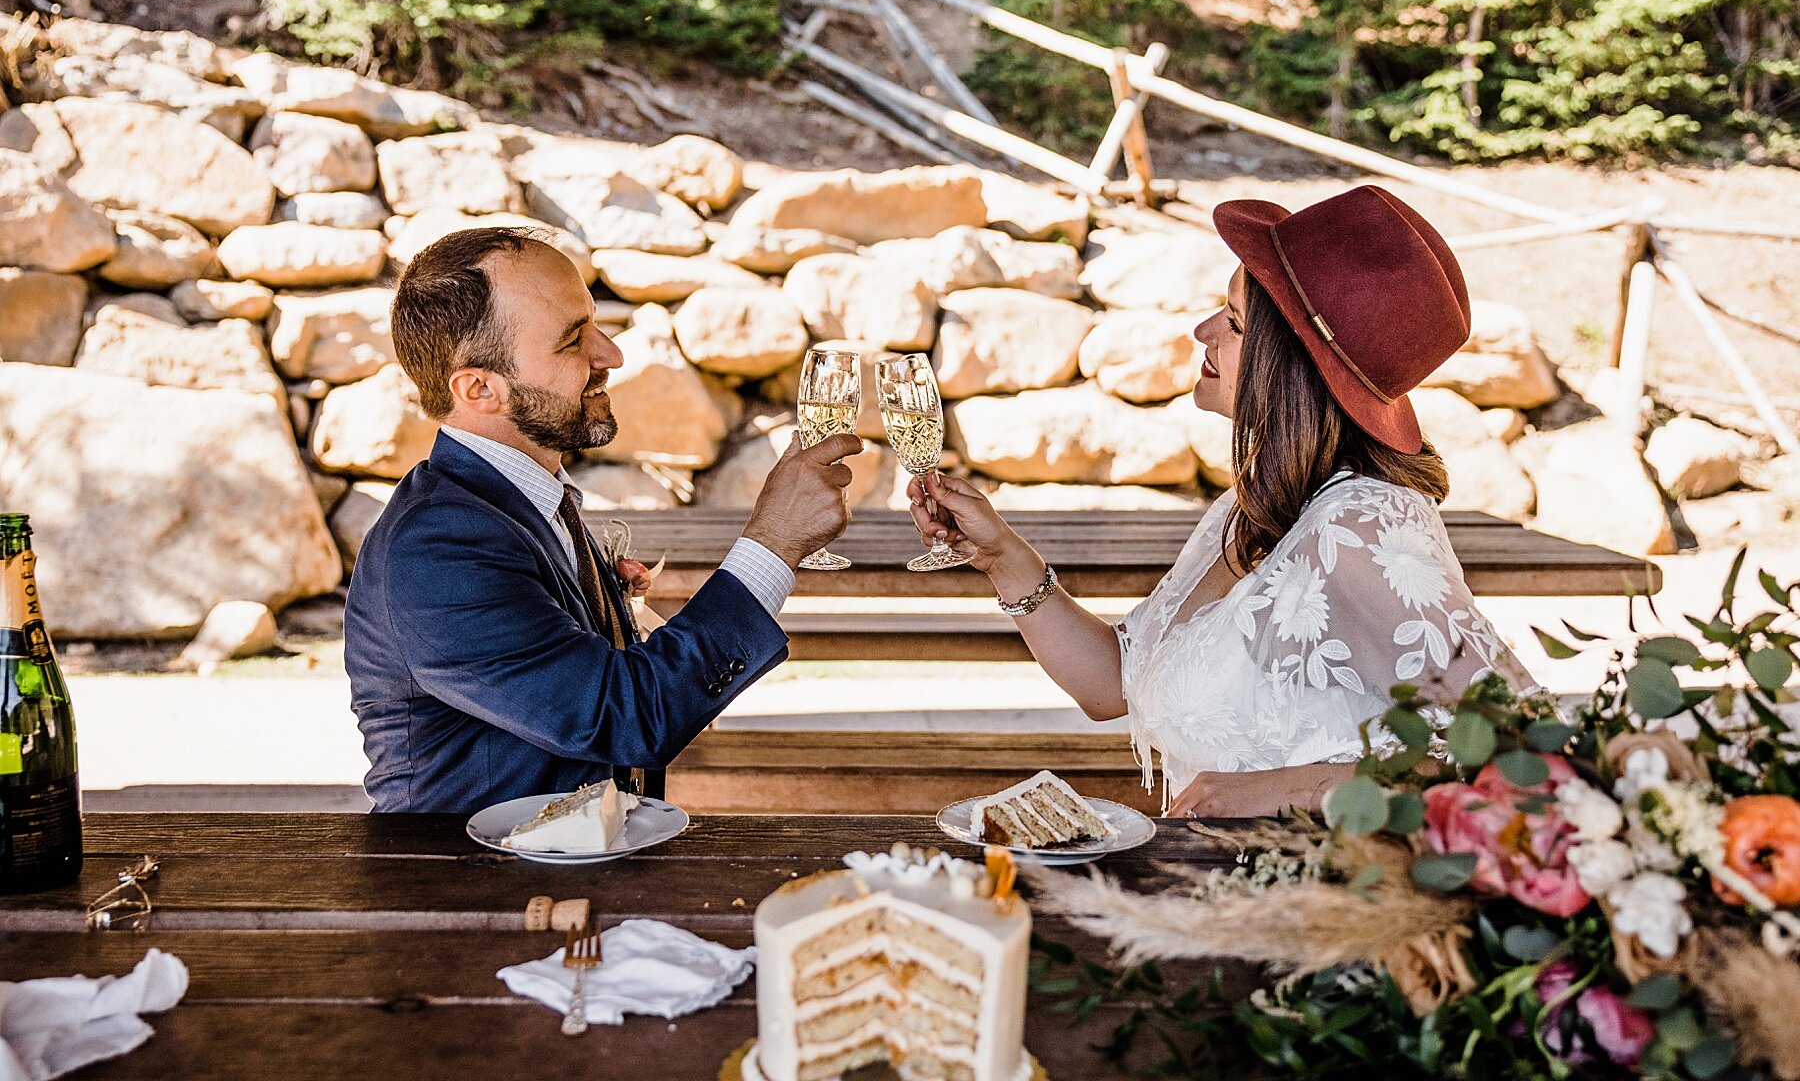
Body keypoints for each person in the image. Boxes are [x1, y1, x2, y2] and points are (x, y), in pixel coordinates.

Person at [907, 186, 1531, 818]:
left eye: (1233, 322)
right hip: (1215, 889)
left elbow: (1524, 754)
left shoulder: (1363, 527)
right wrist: (1002, 556)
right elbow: (1112, 683)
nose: (1202, 330)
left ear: (1289, 363)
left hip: (1318, 902)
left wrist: (1294, 788)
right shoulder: (1258, 505)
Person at [345, 227, 862, 814]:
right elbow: (627, 716)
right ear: (479, 387)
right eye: (572, 341)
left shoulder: (520, 502)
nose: (611, 354)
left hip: (574, 863)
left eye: (593, 323)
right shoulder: (436, 548)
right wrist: (772, 542)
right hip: (484, 890)